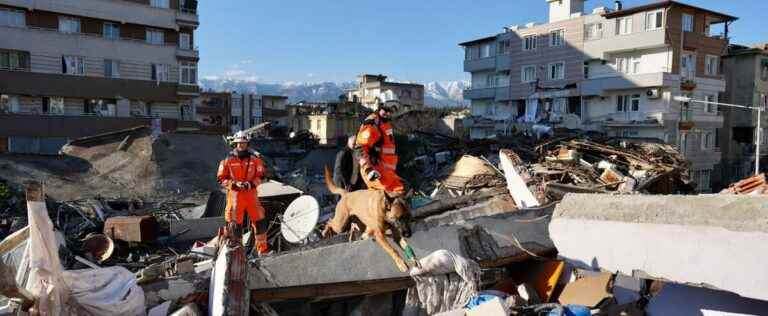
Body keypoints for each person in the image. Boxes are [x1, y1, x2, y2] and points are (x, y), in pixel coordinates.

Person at [217, 131, 269, 254]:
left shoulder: (255, 160)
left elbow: (261, 175)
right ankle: (237, 253)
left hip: (251, 195)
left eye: (244, 143)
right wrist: (234, 184)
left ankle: (262, 250)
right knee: (235, 225)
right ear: (235, 144)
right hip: (235, 197)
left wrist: (251, 184)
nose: (241, 145)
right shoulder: (227, 160)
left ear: (247, 144)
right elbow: (220, 178)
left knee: (260, 221)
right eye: (239, 143)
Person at [355, 100, 405, 194]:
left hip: (387, 172)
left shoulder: (385, 123)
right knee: (393, 197)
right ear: (379, 107)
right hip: (376, 171)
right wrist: (368, 169)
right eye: (385, 110)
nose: (388, 113)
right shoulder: (373, 123)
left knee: (402, 192)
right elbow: (360, 148)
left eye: (390, 111)